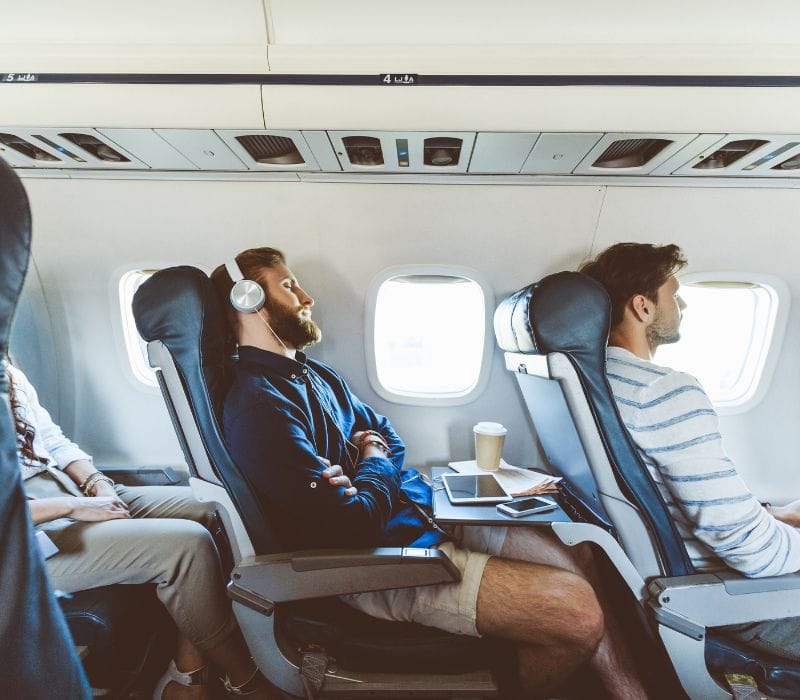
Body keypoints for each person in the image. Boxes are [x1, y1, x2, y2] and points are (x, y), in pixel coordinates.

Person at [211, 247, 650, 698]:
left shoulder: (315, 375)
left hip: (423, 513)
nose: (307, 297)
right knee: (578, 613)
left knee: (581, 552)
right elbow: (352, 524)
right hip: (377, 562)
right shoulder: (260, 407)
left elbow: (389, 436)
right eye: (288, 286)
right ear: (247, 299)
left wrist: (366, 468)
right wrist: (374, 457)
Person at [5, 361, 279, 699]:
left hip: (66, 487)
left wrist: (98, 484)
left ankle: (188, 669)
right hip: (23, 535)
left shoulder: (8, 367)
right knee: (187, 546)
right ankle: (244, 678)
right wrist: (73, 507)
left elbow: (52, 441)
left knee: (215, 509)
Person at [580, 242, 800, 661]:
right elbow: (747, 548)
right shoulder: (663, 390)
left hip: (694, 571)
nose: (682, 305)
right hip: (739, 598)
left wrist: (777, 517)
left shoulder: (599, 383)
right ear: (643, 307)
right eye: (674, 294)